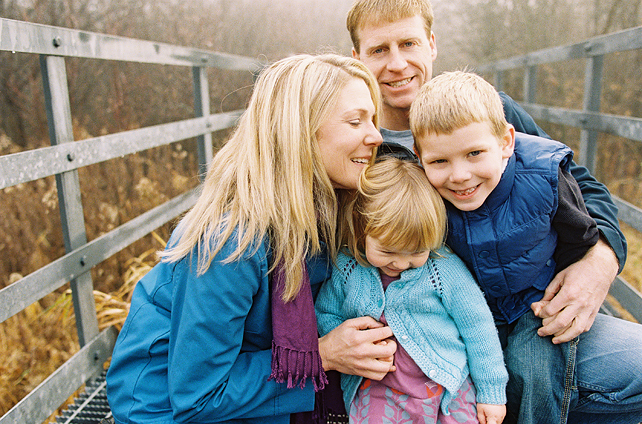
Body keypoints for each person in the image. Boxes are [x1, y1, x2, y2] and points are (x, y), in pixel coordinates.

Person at [346, 1, 642, 423]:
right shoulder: (357, 138)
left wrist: (601, 260)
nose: (397, 64)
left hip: (527, 313)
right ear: (357, 59)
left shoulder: (484, 109)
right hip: (427, 333)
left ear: (431, 44)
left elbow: (574, 184)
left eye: (409, 43)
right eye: (379, 50)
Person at [105, 53, 401, 424]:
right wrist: (323, 355)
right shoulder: (229, 242)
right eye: (356, 121)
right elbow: (197, 397)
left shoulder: (323, 209)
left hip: (249, 392)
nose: (375, 135)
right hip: (167, 410)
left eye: (372, 120)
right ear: (300, 133)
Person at [409, 70, 642, 424]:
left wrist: (585, 274)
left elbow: (579, 233)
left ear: (506, 142)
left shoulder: (543, 177)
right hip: (465, 313)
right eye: (440, 161)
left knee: (535, 370)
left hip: (532, 303)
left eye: (474, 154)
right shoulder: (421, 190)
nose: (458, 175)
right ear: (420, 156)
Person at [315, 157, 508, 424]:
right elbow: (325, 312)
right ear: (362, 231)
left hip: (446, 381)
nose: (401, 263)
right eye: (388, 252)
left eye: (417, 252)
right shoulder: (348, 268)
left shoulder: (442, 268)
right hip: (379, 390)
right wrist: (351, 335)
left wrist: (492, 393)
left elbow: (479, 329)